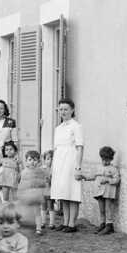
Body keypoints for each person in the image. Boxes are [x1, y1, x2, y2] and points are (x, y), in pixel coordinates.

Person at [49, 99, 86, 232]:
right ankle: (65, 222)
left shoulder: (76, 126)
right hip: (60, 162)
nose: (63, 112)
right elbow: (56, 149)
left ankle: (72, 224)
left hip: (71, 162)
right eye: (61, 109)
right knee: (63, 192)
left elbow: (80, 147)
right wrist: (53, 167)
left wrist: (78, 167)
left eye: (66, 109)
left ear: (72, 110)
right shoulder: (58, 128)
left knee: (72, 193)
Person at [16, 150, 50, 253]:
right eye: (30, 159)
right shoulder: (24, 173)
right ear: (26, 161)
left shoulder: (40, 173)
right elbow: (20, 188)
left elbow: (42, 186)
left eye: (35, 159)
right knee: (26, 237)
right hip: (24, 207)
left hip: (32, 206)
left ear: (39, 161)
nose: (33, 162)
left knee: (30, 237)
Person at [88, 145, 121, 234]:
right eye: (103, 160)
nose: (105, 162)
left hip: (108, 192)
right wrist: (85, 177)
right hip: (99, 192)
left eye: (107, 160)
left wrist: (108, 180)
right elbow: (94, 176)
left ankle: (109, 225)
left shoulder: (113, 169)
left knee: (108, 208)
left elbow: (117, 180)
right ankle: (102, 224)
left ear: (111, 159)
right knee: (101, 209)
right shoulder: (99, 167)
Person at [0, 140, 23, 204]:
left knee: (15, 197)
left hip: (14, 180)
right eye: (6, 150)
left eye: (11, 149)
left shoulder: (17, 160)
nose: (9, 151)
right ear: (4, 152)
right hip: (5, 180)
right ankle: (5, 210)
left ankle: (16, 211)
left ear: (15, 151)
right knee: (5, 197)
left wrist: (20, 176)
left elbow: (21, 169)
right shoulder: (3, 159)